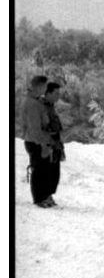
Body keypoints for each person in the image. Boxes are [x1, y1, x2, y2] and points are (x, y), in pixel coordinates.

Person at [22, 74, 55, 208]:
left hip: (39, 140)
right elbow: (35, 128)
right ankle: (39, 198)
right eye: (45, 86)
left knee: (44, 169)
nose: (46, 89)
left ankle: (45, 196)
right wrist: (43, 145)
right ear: (39, 86)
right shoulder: (32, 104)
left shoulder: (36, 101)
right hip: (35, 142)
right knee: (39, 170)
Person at [41, 81, 65, 205]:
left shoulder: (51, 106)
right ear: (48, 93)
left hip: (55, 142)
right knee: (45, 171)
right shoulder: (41, 106)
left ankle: (49, 196)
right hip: (46, 143)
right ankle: (43, 197)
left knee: (54, 172)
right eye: (56, 93)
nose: (58, 96)